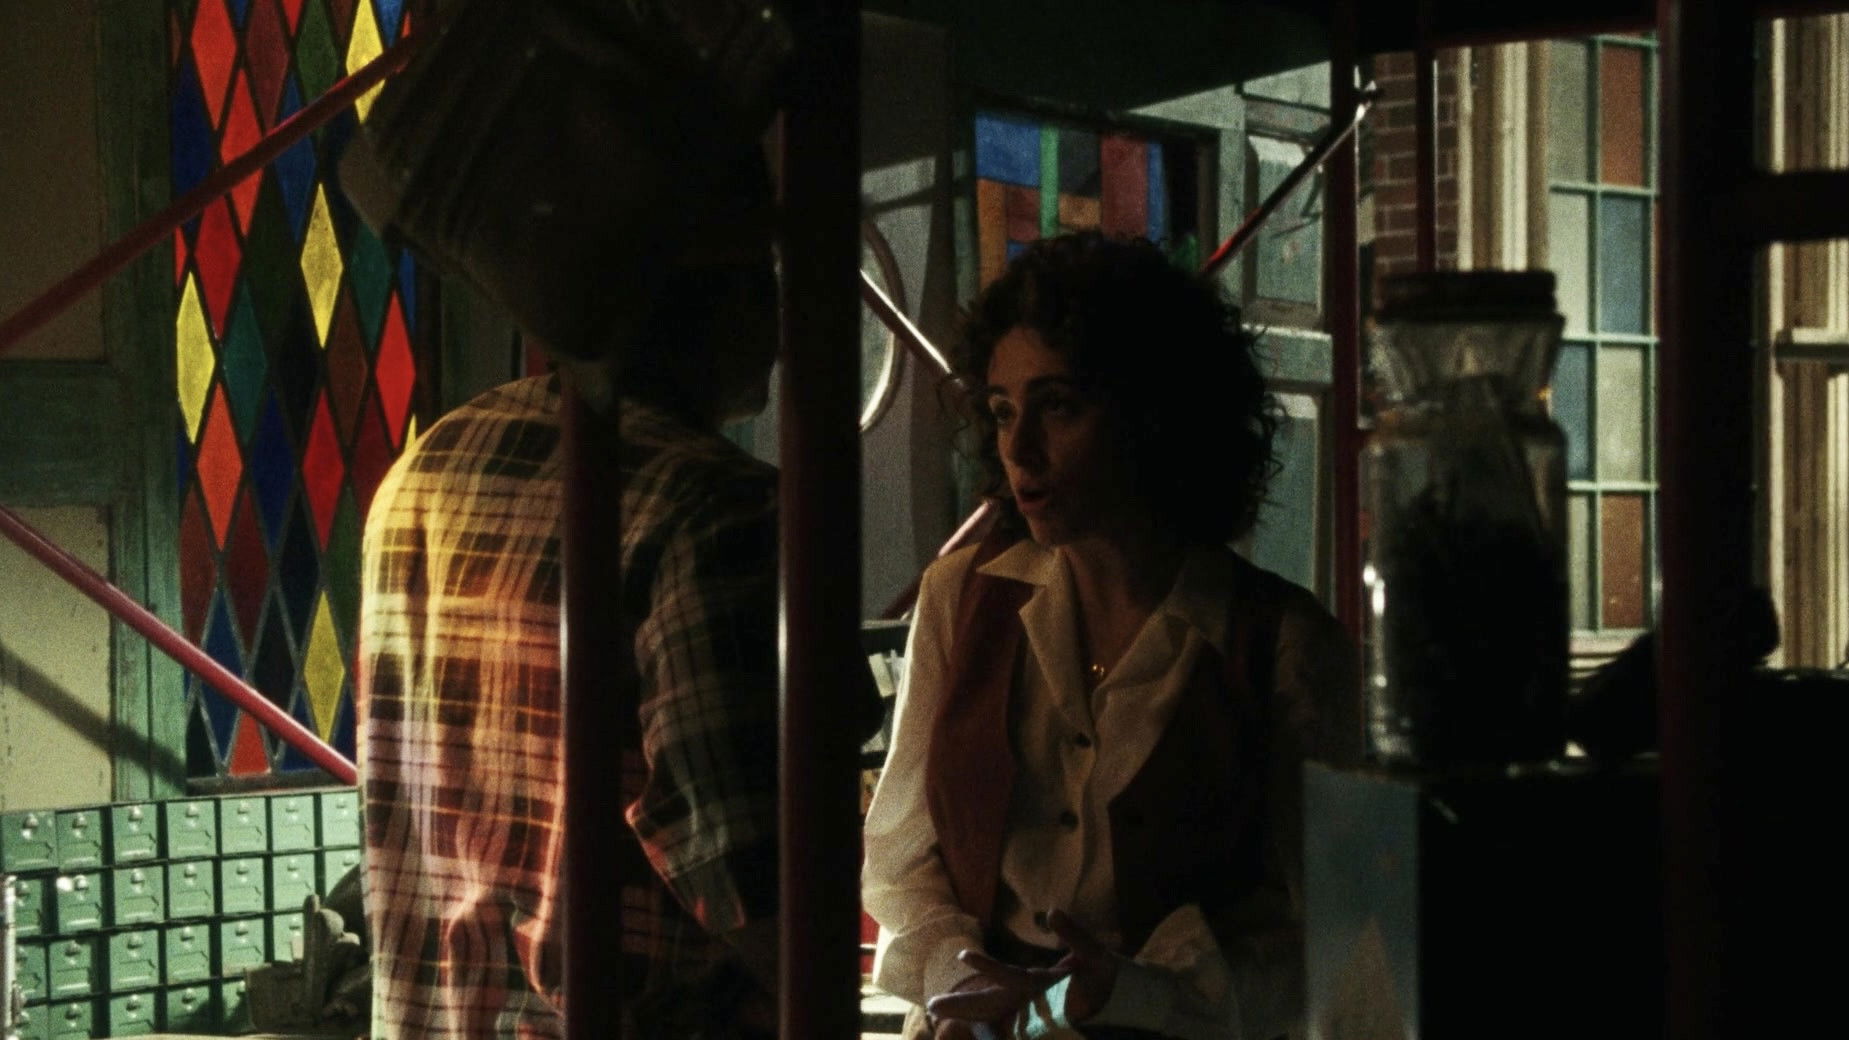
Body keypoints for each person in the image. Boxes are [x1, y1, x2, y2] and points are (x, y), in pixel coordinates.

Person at [862, 232, 1361, 1040]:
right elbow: (900, 858)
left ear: (1151, 414)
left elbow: (1326, 934)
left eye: (1058, 406)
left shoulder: (1283, 647)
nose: (1019, 448)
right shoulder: (962, 598)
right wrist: (960, 974)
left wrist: (1133, 993)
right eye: (1002, 411)